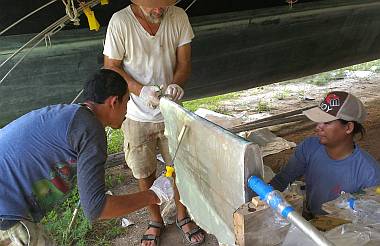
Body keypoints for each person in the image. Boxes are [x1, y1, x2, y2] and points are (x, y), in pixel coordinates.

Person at [0, 69, 174, 245]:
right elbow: (97, 208)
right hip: (5, 211)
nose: (126, 112)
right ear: (114, 101)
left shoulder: (73, 116)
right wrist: (154, 194)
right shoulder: (89, 129)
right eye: (126, 102)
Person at [103, 0, 205, 245]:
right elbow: (111, 67)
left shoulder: (178, 16)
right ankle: (155, 219)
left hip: (170, 111)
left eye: (164, 5)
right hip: (136, 114)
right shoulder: (120, 22)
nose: (160, 10)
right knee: (143, 170)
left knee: (179, 168)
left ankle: (182, 215)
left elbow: (184, 63)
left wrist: (176, 84)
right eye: (154, 6)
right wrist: (140, 90)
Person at [269, 91, 380, 217]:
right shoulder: (309, 147)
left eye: (326, 122)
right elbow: (282, 179)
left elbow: (370, 218)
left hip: (340, 232)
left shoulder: (370, 174)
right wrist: (261, 197)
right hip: (309, 219)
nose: (318, 127)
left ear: (348, 127)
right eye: (319, 121)